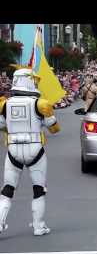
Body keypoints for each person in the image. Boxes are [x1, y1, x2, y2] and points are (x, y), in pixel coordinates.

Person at [0, 68, 60, 236]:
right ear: (28, 81)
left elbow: (1, 125)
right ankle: (38, 226)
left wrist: (12, 128)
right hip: (35, 148)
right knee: (38, 189)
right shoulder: (40, 104)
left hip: (13, 149)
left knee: (8, 188)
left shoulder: (4, 104)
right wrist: (46, 119)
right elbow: (54, 129)